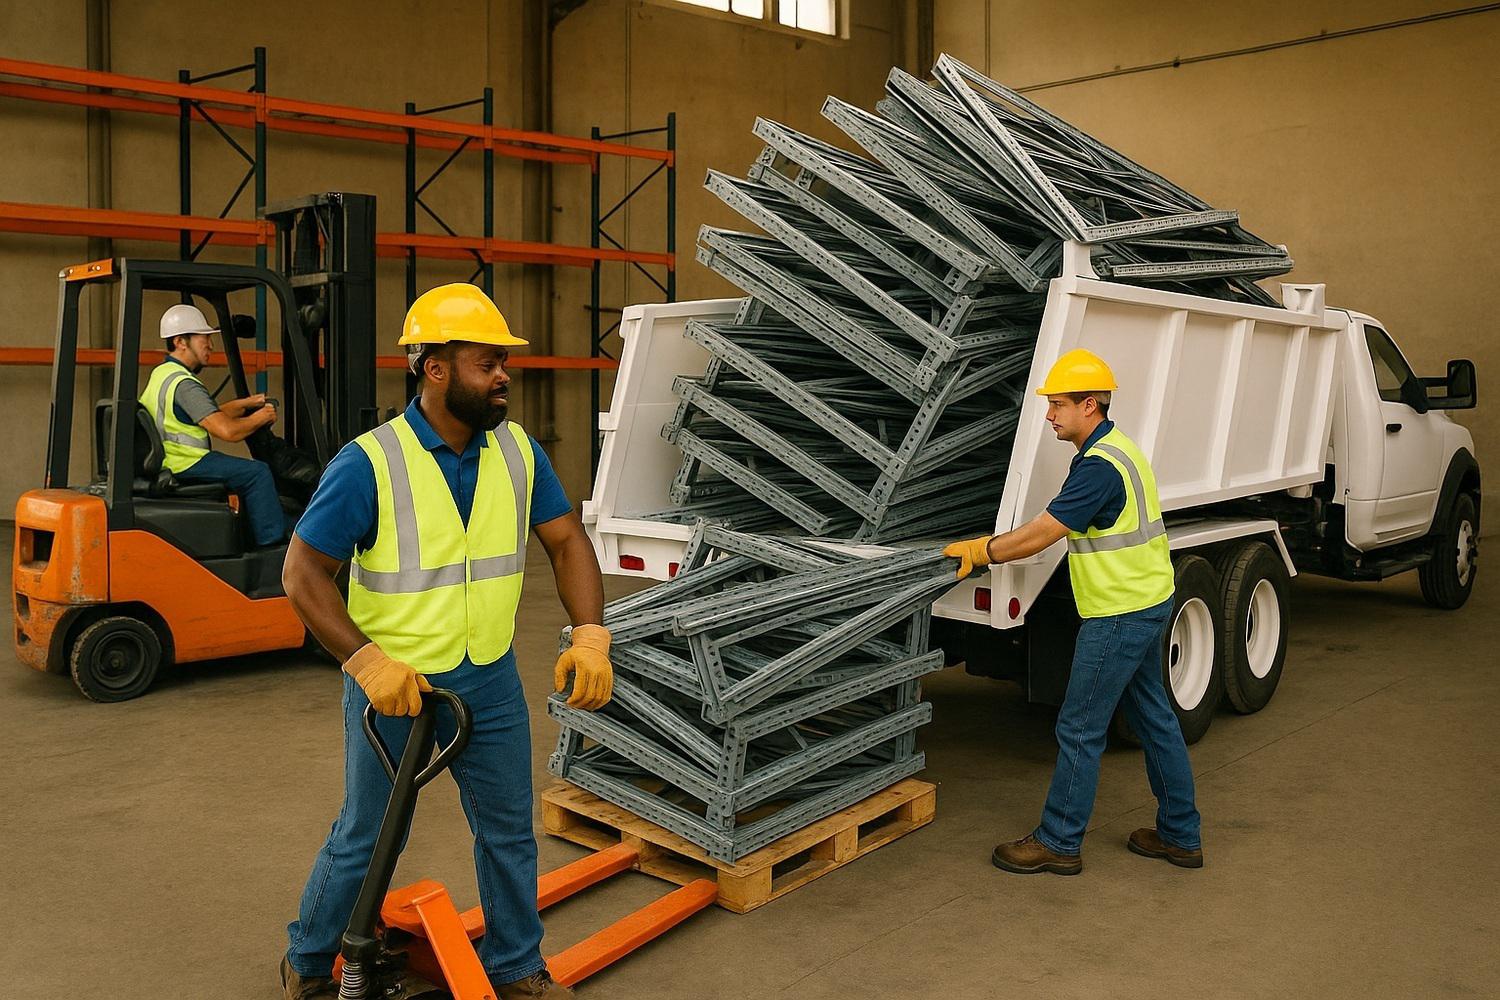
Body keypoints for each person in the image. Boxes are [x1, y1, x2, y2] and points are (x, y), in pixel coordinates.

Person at [278, 283, 612, 1000]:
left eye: (503, 363)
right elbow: (302, 573)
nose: (503, 377)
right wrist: (366, 662)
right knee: (370, 833)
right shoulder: (371, 463)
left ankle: (516, 967)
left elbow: (566, 542)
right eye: (487, 364)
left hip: (488, 677)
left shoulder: (518, 453)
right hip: (394, 686)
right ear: (434, 369)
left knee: (508, 829)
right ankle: (307, 960)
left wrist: (590, 632)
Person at [943, 348, 1202, 876]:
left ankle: (1060, 841)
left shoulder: (1099, 468)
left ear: (1090, 405)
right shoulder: (1117, 449)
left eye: (1058, 404)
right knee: (1155, 720)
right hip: (1148, 600)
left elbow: (1042, 534)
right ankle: (1181, 835)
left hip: (1119, 614)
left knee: (1080, 726)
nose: (1049, 415)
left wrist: (982, 550)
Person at [142, 303, 285, 547]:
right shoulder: (185, 385)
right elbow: (227, 431)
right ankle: (273, 547)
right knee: (257, 473)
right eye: (204, 338)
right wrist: (261, 417)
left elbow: (207, 414)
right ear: (180, 341)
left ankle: (252, 536)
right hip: (185, 462)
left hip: (170, 459)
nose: (210, 345)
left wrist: (246, 404)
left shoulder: (164, 374)